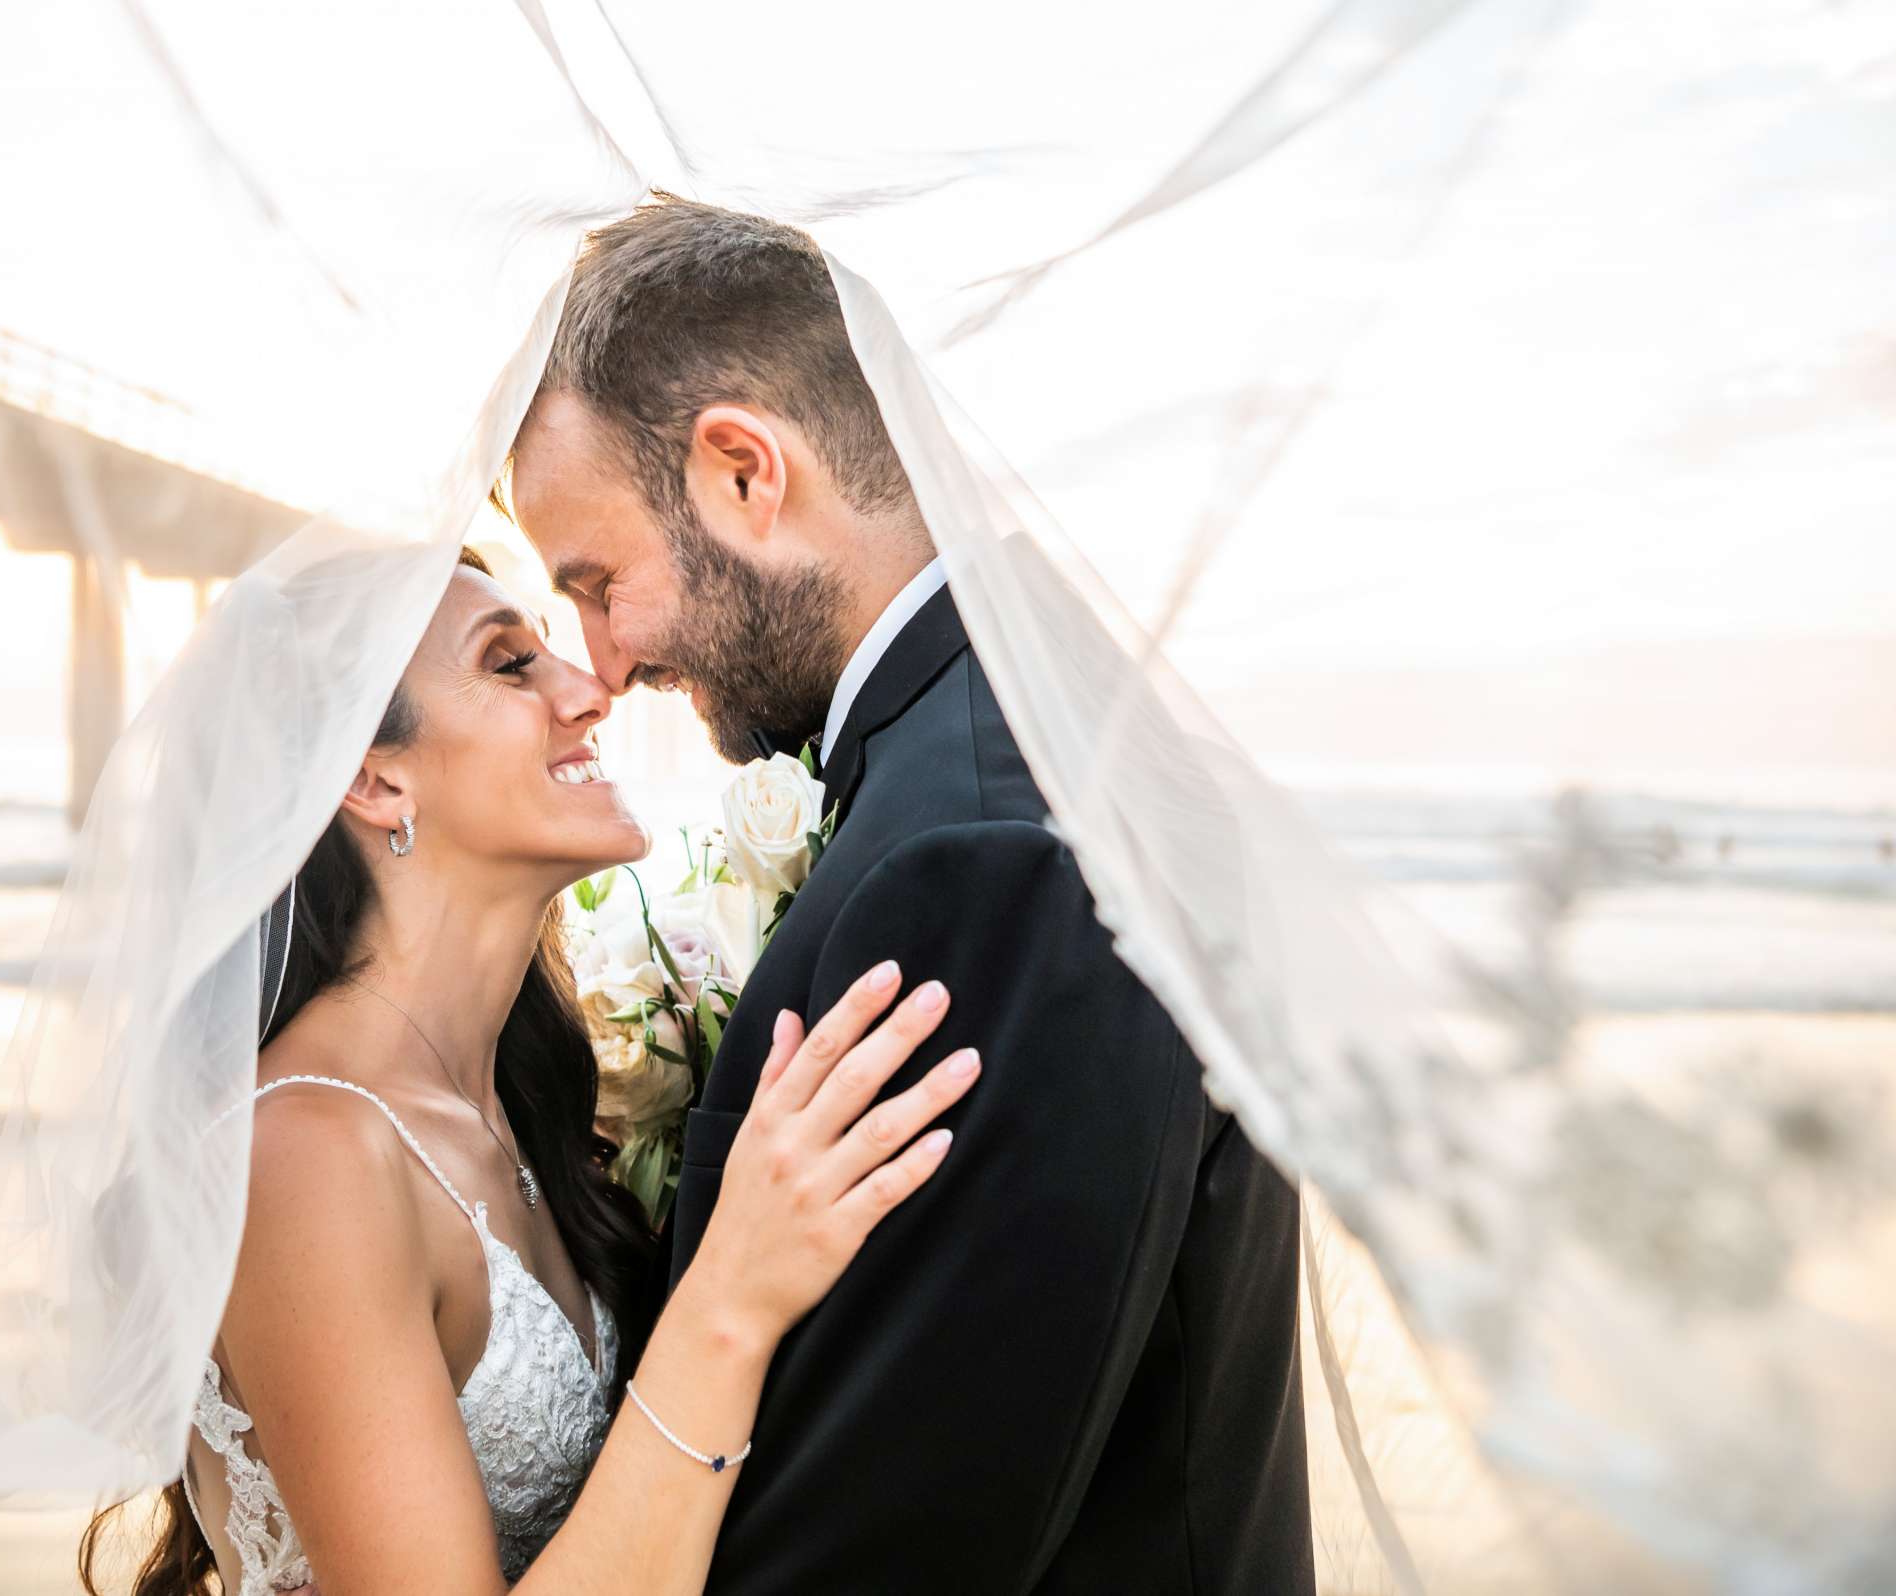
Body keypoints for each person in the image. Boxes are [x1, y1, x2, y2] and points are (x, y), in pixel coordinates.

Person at [500, 197, 1315, 1593]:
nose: (604, 662)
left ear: (745, 472)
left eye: (599, 582)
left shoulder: (984, 857)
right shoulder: (1017, 735)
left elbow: (898, 1540)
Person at [81, 547, 981, 1595]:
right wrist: (735, 1289)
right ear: (373, 777)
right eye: (511, 664)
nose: (591, 689)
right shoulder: (303, 1157)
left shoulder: (519, 1104)